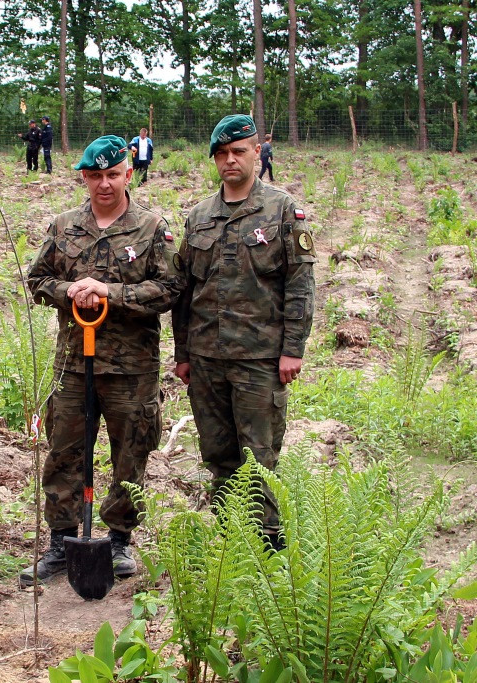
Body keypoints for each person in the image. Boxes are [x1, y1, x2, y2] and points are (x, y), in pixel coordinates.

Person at [20, 135, 183, 586]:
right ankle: (60, 541)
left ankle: (118, 540)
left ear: (129, 174)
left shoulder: (152, 228)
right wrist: (67, 290)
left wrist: (112, 292)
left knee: (131, 452)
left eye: (113, 175)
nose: (104, 184)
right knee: (65, 451)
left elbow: (170, 289)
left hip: (132, 367)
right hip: (74, 363)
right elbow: (37, 279)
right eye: (95, 176)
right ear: (84, 178)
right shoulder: (64, 226)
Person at [172, 114, 316, 551]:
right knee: (218, 454)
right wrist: (183, 353)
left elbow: (299, 284)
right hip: (207, 357)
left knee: (259, 454)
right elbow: (183, 292)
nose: (230, 160)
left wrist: (292, 349)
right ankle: (231, 538)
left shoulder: (282, 210)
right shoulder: (199, 216)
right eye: (221, 154)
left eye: (238, 151)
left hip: (260, 358)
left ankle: (268, 542)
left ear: (258, 151)